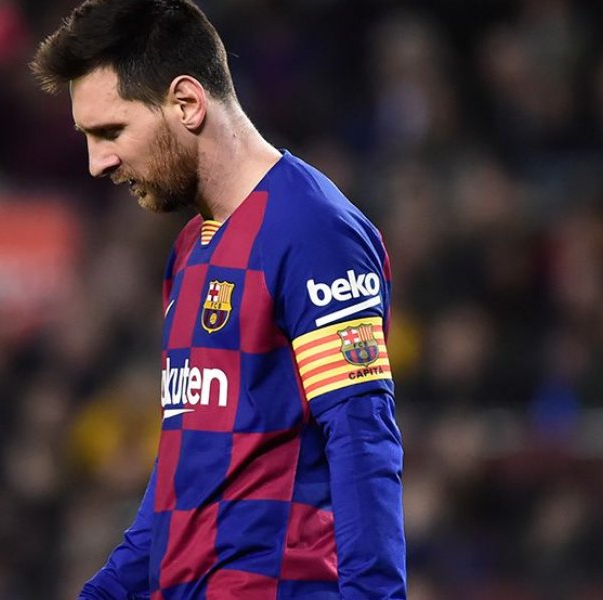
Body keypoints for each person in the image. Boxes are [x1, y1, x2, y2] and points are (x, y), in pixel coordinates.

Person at [30, 1, 406, 598]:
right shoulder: (188, 251)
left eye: (111, 132)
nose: (98, 163)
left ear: (187, 103)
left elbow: (360, 437)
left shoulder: (311, 230)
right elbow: (185, 477)